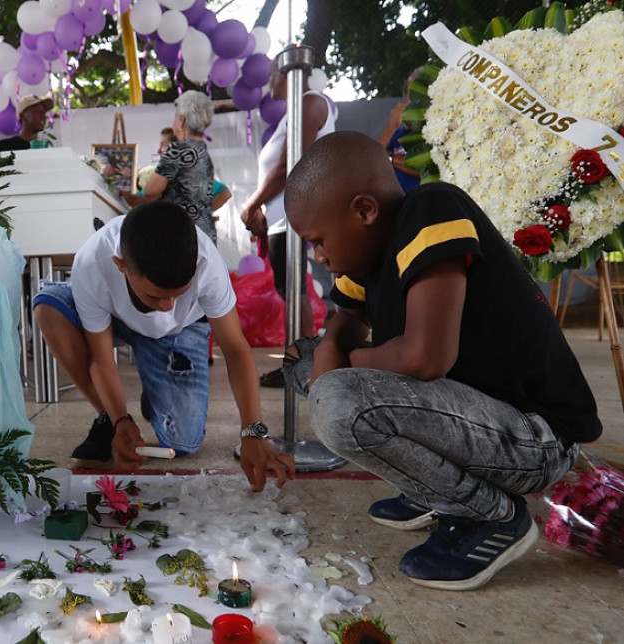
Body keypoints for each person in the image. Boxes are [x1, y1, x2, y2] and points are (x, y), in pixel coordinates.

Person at [283, 131, 601, 590]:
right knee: (304, 358)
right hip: (472, 421)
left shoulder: (432, 209)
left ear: (364, 210)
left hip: (535, 437)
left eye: (318, 241)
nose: (319, 257)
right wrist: (331, 350)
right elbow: (344, 321)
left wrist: (341, 364)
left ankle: (491, 516)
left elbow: (425, 356)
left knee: (336, 399)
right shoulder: (367, 255)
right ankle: (433, 489)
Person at [32, 201, 295, 492]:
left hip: (181, 330)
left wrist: (253, 432)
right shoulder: (92, 263)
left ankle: (154, 389)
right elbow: (101, 359)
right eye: (155, 296)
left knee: (183, 442)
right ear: (120, 265)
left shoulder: (208, 264)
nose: (167, 306)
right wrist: (121, 420)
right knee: (49, 309)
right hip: (115, 321)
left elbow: (235, 349)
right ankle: (107, 417)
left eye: (178, 294)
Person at [240, 56, 338, 387]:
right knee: (290, 291)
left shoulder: (310, 103)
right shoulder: (296, 110)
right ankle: (298, 363)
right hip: (284, 218)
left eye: (271, 76)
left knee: (294, 293)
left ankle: (301, 366)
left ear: (287, 74)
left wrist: (251, 205)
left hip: (295, 216)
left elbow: (290, 167)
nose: (269, 84)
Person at [121, 91, 217, 245]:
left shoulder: (178, 149)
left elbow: (152, 191)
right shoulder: (203, 152)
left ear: (181, 121)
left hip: (181, 233)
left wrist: (131, 199)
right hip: (205, 234)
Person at [377, 69, 422, 194]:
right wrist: (391, 126)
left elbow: (426, 169)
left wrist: (390, 158)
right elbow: (372, 161)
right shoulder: (395, 134)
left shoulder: (435, 133)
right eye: (411, 93)